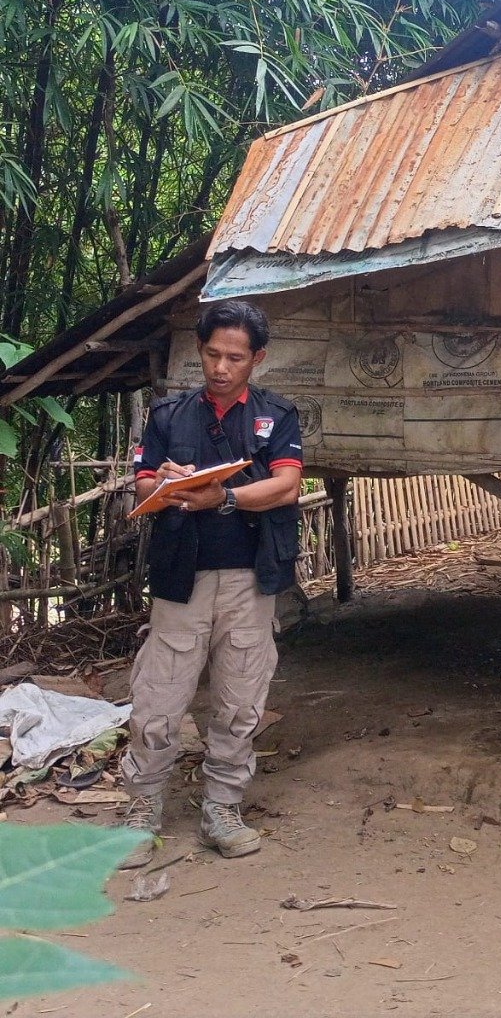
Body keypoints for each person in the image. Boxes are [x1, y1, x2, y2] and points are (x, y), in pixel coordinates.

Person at [119, 300, 303, 867]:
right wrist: (166, 482)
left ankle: (222, 809)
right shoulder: (169, 416)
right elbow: (141, 486)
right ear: (200, 352)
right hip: (182, 576)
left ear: (258, 359)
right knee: (158, 694)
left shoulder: (278, 415)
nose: (221, 367)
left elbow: (287, 485)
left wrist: (221, 495)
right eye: (212, 354)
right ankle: (141, 810)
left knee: (241, 694)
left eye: (235, 357)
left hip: (251, 576)